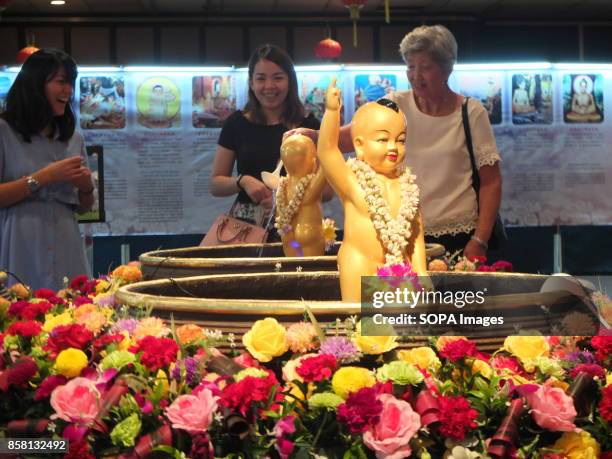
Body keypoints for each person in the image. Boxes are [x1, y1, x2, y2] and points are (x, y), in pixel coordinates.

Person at [287, 25, 502, 258]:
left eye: (425, 67)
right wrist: (314, 136)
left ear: (446, 68)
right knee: (392, 294)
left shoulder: (471, 112)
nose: (416, 76)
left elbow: (491, 182)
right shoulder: (394, 104)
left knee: (457, 296)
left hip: (459, 237)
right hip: (399, 233)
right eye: (411, 67)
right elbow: (350, 136)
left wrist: (479, 240)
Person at [317, 78, 428, 302]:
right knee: (362, 329)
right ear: (359, 145)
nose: (392, 148)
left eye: (400, 140)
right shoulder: (352, 180)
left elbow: (416, 234)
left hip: (400, 266)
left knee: (400, 333)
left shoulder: (407, 185)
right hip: (360, 263)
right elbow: (327, 151)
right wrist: (331, 111)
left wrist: (422, 271)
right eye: (382, 139)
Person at [0, 49, 94, 291]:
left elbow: (85, 208)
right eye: (61, 82)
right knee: (22, 315)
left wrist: (86, 187)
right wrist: (45, 176)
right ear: (35, 84)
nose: (68, 90)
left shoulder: (74, 139)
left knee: (72, 316)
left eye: (71, 83)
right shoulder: (4, 131)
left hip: (67, 240)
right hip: (20, 241)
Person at [210, 44, 322, 226]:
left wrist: (286, 195)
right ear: (251, 83)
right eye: (261, 78)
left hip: (298, 226)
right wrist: (242, 181)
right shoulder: (236, 124)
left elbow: (326, 191)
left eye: (278, 78)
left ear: (290, 82)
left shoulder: (308, 127)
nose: (269, 86)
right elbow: (215, 184)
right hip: (245, 229)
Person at [275, 134, 327, 257]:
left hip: (289, 239)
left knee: (295, 271)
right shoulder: (310, 187)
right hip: (308, 236)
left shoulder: (282, 188)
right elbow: (328, 162)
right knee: (309, 272)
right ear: (314, 162)